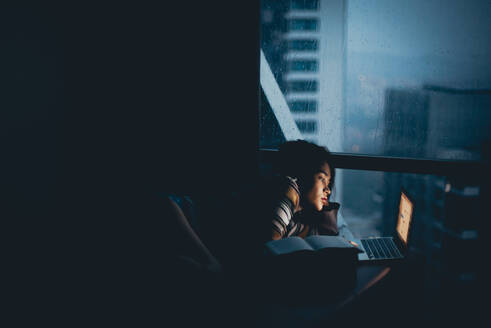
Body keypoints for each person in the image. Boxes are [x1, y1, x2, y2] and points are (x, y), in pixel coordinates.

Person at [268, 139, 340, 241]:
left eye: (328, 183)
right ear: (304, 175)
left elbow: (328, 242)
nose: (328, 190)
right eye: (322, 178)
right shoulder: (288, 188)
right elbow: (272, 244)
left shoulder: (300, 218)